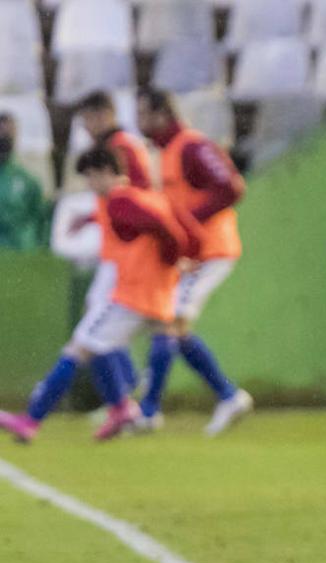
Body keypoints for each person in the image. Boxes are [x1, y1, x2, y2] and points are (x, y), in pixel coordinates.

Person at [0, 148, 201, 443]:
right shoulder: (144, 197)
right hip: (155, 295)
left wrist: (174, 254)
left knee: (76, 349)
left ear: (106, 171)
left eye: (92, 178)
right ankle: (124, 409)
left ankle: (31, 419)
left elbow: (167, 230)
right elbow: (178, 231)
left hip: (130, 298)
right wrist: (176, 259)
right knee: (112, 345)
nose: (91, 186)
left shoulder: (120, 200)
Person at [135, 88, 252, 436]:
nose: (139, 121)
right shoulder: (166, 151)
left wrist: (186, 221)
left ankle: (149, 410)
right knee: (171, 325)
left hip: (212, 251)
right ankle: (227, 395)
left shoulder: (191, 146)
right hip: (192, 254)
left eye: (142, 113)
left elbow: (231, 187)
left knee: (168, 321)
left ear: (160, 114)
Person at [76, 90, 155, 397]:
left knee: (99, 324)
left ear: (103, 115)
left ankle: (127, 397)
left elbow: (139, 197)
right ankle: (129, 394)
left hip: (125, 253)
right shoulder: (113, 147)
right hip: (115, 250)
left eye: (87, 120)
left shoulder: (123, 148)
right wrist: (90, 220)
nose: (86, 128)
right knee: (102, 321)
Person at [0, 113, 49, 251]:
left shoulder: (28, 180)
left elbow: (40, 217)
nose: (4, 138)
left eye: (8, 133)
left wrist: (38, 245)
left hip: (19, 249)